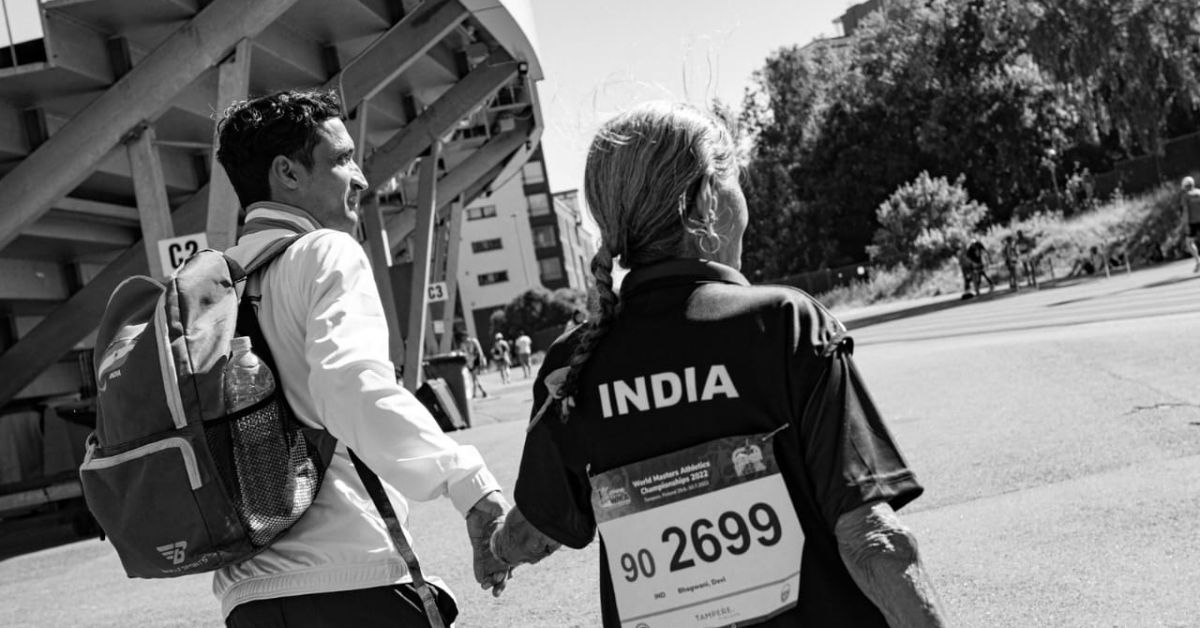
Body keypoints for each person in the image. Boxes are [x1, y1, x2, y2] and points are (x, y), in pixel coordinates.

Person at [490, 102, 946, 627]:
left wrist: (497, 549)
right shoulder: (783, 325)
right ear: (707, 198)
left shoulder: (574, 366)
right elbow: (873, 541)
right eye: (736, 182)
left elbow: (539, 527)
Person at [213, 89, 511, 627]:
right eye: (342, 158)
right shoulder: (324, 252)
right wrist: (467, 482)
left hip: (247, 600)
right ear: (288, 173)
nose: (361, 178)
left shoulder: (209, 288)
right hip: (351, 581)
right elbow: (348, 385)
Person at [454, 328, 488, 398]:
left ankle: (475, 393)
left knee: (474, 377)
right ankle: (482, 392)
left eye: (464, 337)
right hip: (469, 363)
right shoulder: (463, 344)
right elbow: (462, 353)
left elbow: (480, 350)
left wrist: (482, 359)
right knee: (474, 378)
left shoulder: (474, 341)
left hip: (475, 361)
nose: (464, 338)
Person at [1179, 176, 1200, 272]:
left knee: (1189, 242)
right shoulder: (1199, 192)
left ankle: (1198, 261)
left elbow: (1185, 211)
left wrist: (1185, 224)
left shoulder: (1186, 196)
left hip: (1192, 223)